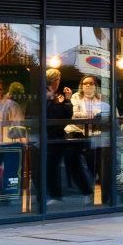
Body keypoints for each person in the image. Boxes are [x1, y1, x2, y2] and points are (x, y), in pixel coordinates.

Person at [43, 67, 85, 199]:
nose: (59, 82)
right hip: (51, 136)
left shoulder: (53, 95)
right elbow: (60, 116)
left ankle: (57, 195)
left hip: (56, 135)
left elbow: (65, 116)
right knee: (54, 166)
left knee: (61, 163)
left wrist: (65, 101)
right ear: (53, 80)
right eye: (58, 79)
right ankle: (55, 195)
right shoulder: (47, 94)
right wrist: (64, 102)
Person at [70, 74, 111, 200]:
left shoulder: (101, 98)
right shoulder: (76, 97)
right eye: (85, 83)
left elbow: (108, 112)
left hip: (99, 134)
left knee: (102, 165)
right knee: (89, 163)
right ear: (81, 86)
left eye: (91, 83)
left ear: (95, 86)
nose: (88, 85)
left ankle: (105, 196)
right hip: (82, 134)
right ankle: (89, 192)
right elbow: (74, 114)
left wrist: (96, 116)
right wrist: (91, 116)